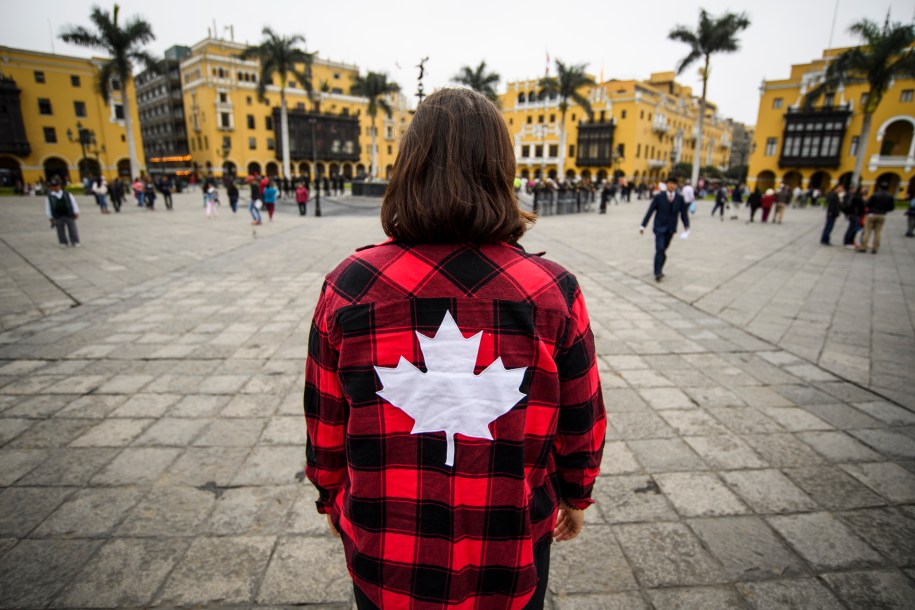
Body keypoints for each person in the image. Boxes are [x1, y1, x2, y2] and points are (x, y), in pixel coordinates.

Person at [304, 88, 605, 610]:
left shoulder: (349, 286)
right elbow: (582, 417)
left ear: (409, 168)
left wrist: (329, 492)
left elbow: (325, 420)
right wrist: (576, 493)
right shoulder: (552, 292)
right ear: (501, 171)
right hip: (509, 549)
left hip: (387, 549)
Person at [640, 175, 691, 282]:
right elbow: (650, 211)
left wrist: (686, 226)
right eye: (670, 183)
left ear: (676, 186)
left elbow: (683, 214)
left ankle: (659, 268)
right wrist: (643, 225)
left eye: (674, 184)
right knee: (660, 248)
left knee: (663, 250)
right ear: (666, 184)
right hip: (659, 227)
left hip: (671, 229)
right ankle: (657, 272)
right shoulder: (659, 197)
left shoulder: (679, 198)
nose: (672, 185)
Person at [859, 182, 895, 254]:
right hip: (882, 215)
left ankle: (863, 247)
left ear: (879, 187)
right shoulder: (890, 196)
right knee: (878, 232)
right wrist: (884, 210)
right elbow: (892, 207)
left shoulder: (875, 195)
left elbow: (867, 204)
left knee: (867, 231)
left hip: (872, 214)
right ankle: (875, 248)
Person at [45, 177, 81, 247]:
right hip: (58, 215)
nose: (56, 188)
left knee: (72, 228)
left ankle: (75, 241)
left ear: (60, 186)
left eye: (57, 186)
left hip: (68, 214)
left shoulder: (67, 194)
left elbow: (73, 203)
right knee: (60, 229)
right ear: (51, 188)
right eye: (54, 187)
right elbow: (48, 207)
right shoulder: (49, 197)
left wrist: (76, 212)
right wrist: (50, 217)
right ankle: (63, 242)